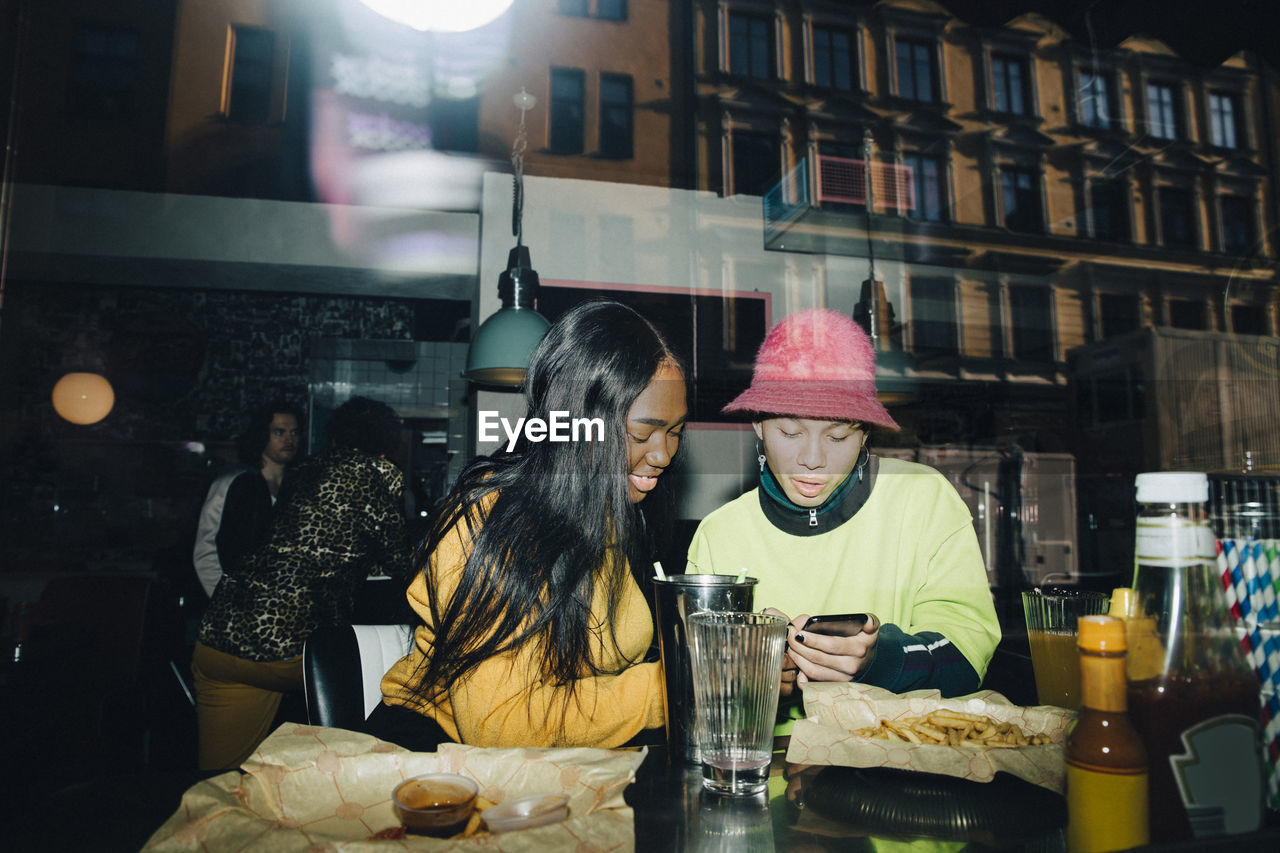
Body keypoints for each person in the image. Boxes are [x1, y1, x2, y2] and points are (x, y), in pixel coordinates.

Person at [368, 299, 687, 750]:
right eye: (642, 434)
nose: (663, 455)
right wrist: (677, 684)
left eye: (675, 431)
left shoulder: (616, 516)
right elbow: (501, 724)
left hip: (556, 765)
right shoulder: (488, 520)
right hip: (431, 764)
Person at [685, 308, 1000, 709]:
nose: (812, 458)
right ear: (758, 425)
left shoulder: (922, 498)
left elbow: (969, 654)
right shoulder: (720, 534)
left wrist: (881, 660)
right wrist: (753, 681)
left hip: (900, 758)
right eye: (790, 431)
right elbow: (701, 683)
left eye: (837, 436)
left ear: (865, 431)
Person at [192, 396, 411, 770]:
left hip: (219, 639)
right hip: (286, 648)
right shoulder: (376, 471)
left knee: (222, 779)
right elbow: (399, 559)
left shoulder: (304, 470)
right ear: (385, 438)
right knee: (407, 665)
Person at [192, 402, 303, 599]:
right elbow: (206, 549)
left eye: (294, 433)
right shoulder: (234, 482)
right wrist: (225, 600)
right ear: (262, 435)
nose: (289, 439)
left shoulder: (299, 486)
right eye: (279, 432)